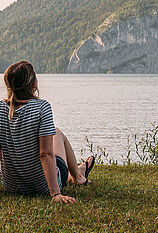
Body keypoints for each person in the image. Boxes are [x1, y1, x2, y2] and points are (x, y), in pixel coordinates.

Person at [0, 60, 95, 204]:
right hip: (42, 186)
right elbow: (45, 154)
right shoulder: (42, 107)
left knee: (52, 135)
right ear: (33, 85)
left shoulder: (1, 109)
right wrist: (56, 194)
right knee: (57, 133)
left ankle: (76, 173)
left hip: (12, 186)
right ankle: (78, 177)